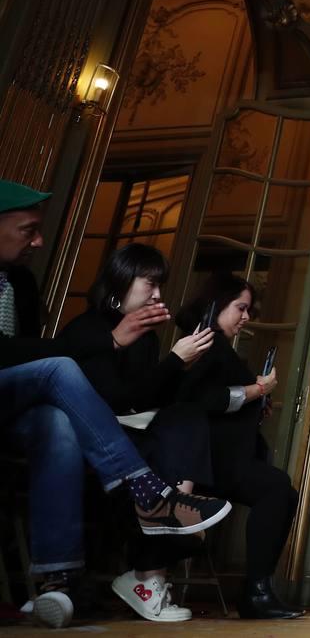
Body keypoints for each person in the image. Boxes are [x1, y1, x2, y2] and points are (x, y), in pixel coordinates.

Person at [0, 179, 231, 628]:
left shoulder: (23, 283)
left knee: (59, 424)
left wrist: (178, 362)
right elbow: (56, 358)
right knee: (62, 368)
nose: (39, 241)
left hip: (19, 408)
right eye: (28, 229)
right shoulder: (90, 329)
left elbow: (29, 350)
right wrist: (109, 342)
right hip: (100, 424)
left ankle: (58, 583)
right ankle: (149, 500)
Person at [57, 243, 218, 623]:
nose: (159, 295)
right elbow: (114, 399)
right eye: (151, 284)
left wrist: (180, 365)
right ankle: (153, 563)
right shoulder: (89, 329)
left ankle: (174, 510)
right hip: (91, 440)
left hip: (134, 432)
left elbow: (147, 398)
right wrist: (175, 361)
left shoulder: (145, 338)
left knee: (187, 418)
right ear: (123, 280)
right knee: (166, 445)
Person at [175, 273, 303, 620]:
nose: (246, 317)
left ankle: (257, 591)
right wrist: (257, 391)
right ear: (216, 305)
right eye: (240, 308)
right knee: (277, 488)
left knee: (282, 491)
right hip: (209, 460)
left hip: (225, 455)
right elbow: (205, 399)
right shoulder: (206, 343)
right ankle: (255, 593)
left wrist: (254, 403)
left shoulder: (213, 345)